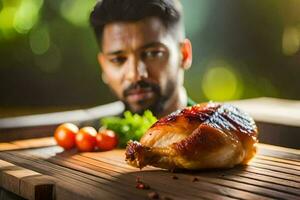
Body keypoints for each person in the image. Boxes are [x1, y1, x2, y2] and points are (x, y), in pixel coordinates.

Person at [90, 0, 194, 118]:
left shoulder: (217, 132)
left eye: (152, 54)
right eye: (118, 59)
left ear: (184, 54)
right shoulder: (81, 133)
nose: (135, 75)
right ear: (103, 66)